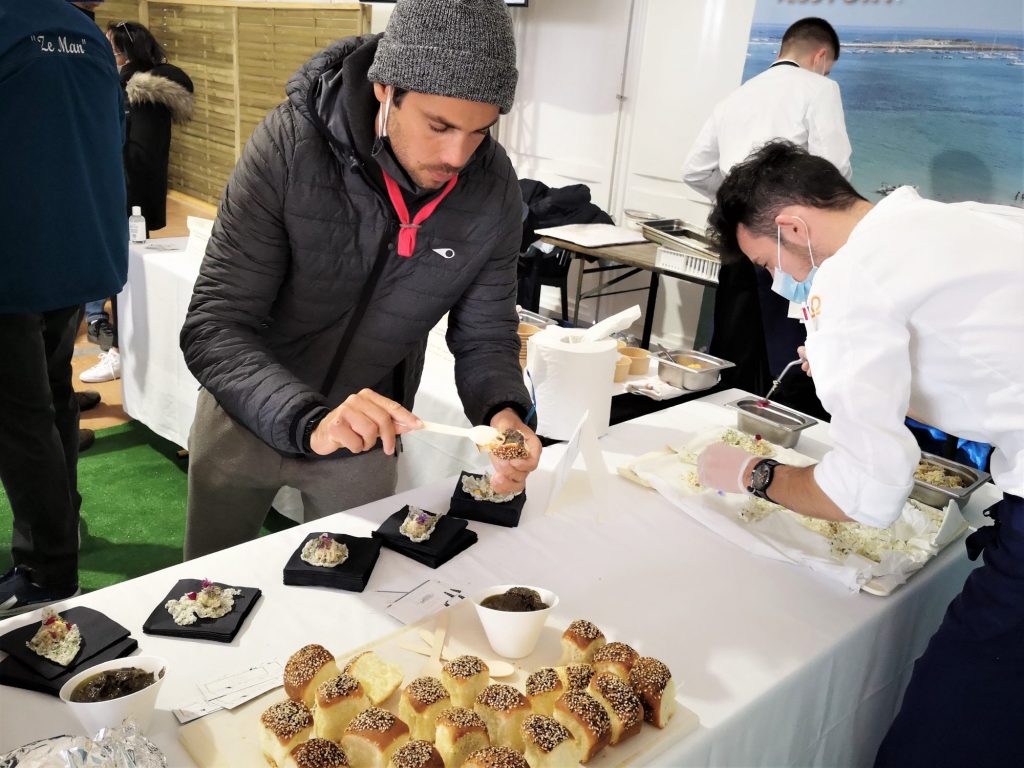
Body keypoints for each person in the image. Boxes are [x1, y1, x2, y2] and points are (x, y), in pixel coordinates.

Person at [696, 140, 1024, 766]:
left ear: (794, 225)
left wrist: (753, 472)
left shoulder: (850, 279)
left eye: (769, 263)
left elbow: (866, 497)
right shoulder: (952, 220)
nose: (776, 283)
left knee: (946, 726)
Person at [180, 0, 541, 559]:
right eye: (439, 125)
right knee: (206, 588)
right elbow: (215, 325)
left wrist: (504, 415)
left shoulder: (492, 190)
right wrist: (310, 420)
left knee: (350, 603)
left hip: (372, 430)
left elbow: (485, 335)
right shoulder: (289, 145)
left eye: (480, 131)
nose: (457, 156)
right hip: (246, 413)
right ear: (385, 88)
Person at [0, 0, 128, 616]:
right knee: (47, 401)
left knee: (20, 418)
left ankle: (48, 569)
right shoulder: (79, 30)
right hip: (76, 247)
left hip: (13, 250)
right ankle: (54, 538)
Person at [682, 17, 851, 419]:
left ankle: (718, 430)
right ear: (821, 57)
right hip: (790, 246)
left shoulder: (737, 96)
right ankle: (789, 448)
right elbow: (835, 170)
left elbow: (694, 171)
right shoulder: (821, 88)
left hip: (740, 241)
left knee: (734, 347)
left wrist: (743, 209)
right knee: (792, 356)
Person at [80, 20, 194, 383]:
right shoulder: (143, 89)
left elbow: (136, 156)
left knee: (116, 269)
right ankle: (113, 341)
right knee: (124, 268)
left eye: (111, 47)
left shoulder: (139, 93)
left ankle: (114, 348)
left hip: (124, 197)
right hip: (128, 197)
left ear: (125, 53)